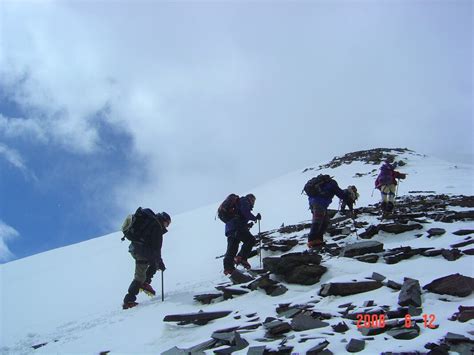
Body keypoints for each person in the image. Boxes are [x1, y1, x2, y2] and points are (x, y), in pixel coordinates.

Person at [122, 209, 171, 309]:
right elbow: (156, 249)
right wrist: (160, 262)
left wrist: (158, 262)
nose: (166, 226)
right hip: (141, 252)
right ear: (164, 220)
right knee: (139, 277)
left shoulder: (151, 222)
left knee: (154, 264)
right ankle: (128, 301)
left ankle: (145, 283)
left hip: (136, 249)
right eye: (167, 224)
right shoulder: (157, 227)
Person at [305, 175, 351, 249]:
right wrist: (347, 196)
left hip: (313, 203)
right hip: (320, 203)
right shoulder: (332, 184)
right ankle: (312, 241)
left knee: (325, 221)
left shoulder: (321, 184)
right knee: (318, 221)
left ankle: (318, 240)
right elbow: (340, 194)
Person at [223, 193, 261, 275]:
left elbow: (240, 216)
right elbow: (245, 212)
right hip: (237, 227)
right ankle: (241, 258)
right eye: (253, 200)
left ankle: (228, 269)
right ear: (250, 198)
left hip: (230, 229)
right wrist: (255, 218)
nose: (253, 202)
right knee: (250, 240)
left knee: (232, 249)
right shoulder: (244, 201)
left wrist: (247, 225)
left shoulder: (237, 204)